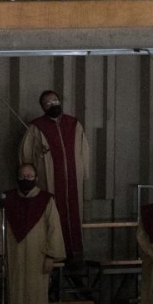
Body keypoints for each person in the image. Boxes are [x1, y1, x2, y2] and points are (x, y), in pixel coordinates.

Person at [0, 164, 66, 304]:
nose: (26, 179)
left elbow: (54, 229)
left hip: (37, 258)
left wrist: (51, 256)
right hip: (15, 257)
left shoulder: (46, 200)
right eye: (22, 176)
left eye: (29, 175)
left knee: (36, 299)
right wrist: (0, 253)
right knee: (16, 298)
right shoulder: (8, 200)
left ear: (36, 178)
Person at [19, 89, 91, 261]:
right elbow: (26, 157)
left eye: (55, 100)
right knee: (52, 219)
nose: (52, 104)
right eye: (48, 103)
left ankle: (74, 256)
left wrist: (83, 174)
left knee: (74, 218)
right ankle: (54, 256)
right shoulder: (36, 127)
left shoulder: (74, 124)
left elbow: (84, 152)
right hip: (48, 183)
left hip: (73, 183)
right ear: (43, 107)